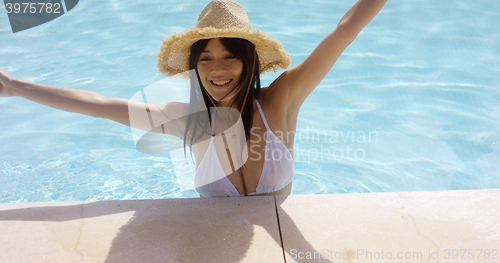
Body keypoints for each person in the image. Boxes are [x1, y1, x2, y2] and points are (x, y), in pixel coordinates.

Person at [0, 0, 387, 197]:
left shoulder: (280, 101)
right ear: (194, 66)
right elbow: (97, 103)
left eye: (230, 56)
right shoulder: (186, 121)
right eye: (206, 59)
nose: (218, 70)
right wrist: (14, 85)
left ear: (249, 60)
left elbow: (344, 32)